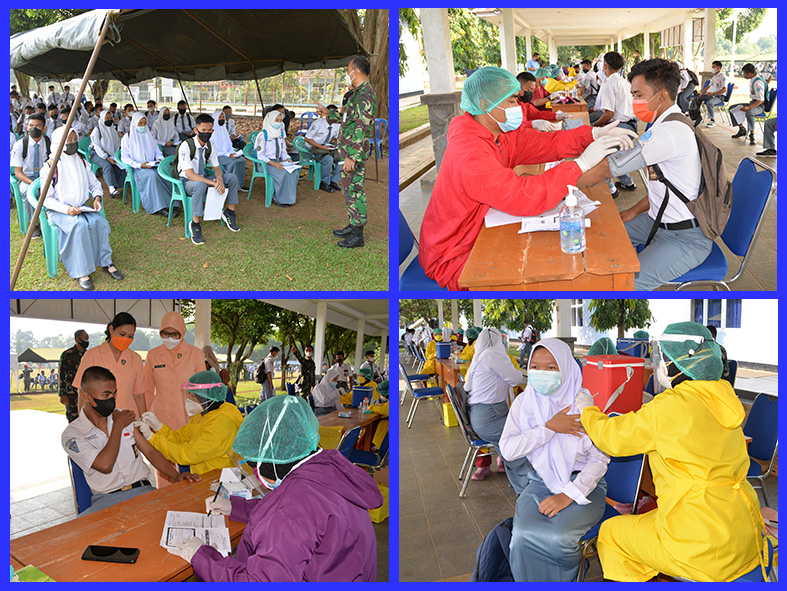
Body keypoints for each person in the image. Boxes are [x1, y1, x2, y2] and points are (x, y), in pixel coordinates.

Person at [578, 322, 767, 582]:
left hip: (699, 547)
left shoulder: (668, 408)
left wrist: (587, 410)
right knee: (650, 518)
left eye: (664, 359)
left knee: (611, 532)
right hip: (741, 530)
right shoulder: (724, 397)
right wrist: (653, 408)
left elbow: (612, 438)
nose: (662, 366)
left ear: (678, 364)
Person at [418, 66, 635, 290]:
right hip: (452, 253)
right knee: (535, 276)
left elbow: (545, 144)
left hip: (474, 231)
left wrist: (592, 135)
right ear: (484, 105)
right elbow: (523, 196)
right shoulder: (469, 152)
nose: (518, 108)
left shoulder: (496, 135)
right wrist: (581, 164)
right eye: (512, 101)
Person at [170, 395, 383, 581]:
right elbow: (306, 518)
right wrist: (235, 507)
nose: (255, 472)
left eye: (254, 465)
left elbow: (260, 582)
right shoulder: (328, 469)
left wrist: (202, 556)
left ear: (271, 463)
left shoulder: (289, 509)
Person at [500, 338, 609, 581]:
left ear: (567, 368)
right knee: (522, 536)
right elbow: (507, 449)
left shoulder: (584, 404)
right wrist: (548, 428)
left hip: (584, 487)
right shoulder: (524, 403)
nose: (541, 373)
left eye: (551, 367)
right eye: (535, 367)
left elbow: (600, 458)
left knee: (557, 539)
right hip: (539, 483)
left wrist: (568, 494)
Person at [600, 58, 712, 290]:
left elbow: (610, 167)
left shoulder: (669, 133)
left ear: (661, 96)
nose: (633, 102)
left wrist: (568, 176)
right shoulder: (663, 125)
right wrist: (632, 211)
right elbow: (663, 189)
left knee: (626, 286)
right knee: (604, 237)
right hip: (658, 220)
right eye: (633, 95)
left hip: (686, 238)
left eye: (638, 95)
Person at [62, 366, 199, 515]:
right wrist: (118, 427)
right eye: (106, 395)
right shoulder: (73, 434)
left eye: (114, 394)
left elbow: (150, 451)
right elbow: (105, 465)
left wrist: (177, 476)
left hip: (142, 491)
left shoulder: (122, 416)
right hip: (106, 501)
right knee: (81, 534)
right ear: (87, 396)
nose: (112, 400)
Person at [39, 127, 124, 290]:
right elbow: (47, 199)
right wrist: (67, 210)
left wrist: (97, 197)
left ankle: (105, 262)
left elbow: (94, 183)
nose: (73, 143)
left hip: (80, 206)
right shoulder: (50, 167)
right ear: (58, 143)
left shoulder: (81, 161)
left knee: (100, 222)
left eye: (75, 139)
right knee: (79, 226)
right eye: (68, 140)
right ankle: (81, 271)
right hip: (59, 210)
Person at [317, 55, 377, 248]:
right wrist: (329, 114)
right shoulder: (357, 93)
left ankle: (358, 234)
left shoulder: (365, 94)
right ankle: (353, 225)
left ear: (356, 71)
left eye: (348, 70)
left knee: (355, 190)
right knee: (348, 189)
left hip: (353, 152)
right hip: (347, 150)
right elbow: (348, 117)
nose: (347, 73)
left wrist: (352, 156)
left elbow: (360, 126)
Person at [463, 328, 531, 490]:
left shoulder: (480, 356)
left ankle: (521, 484)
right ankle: (531, 483)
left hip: (482, 415)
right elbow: (516, 378)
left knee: (516, 437)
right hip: (489, 416)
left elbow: (467, 384)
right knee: (518, 442)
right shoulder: (494, 355)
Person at [138, 370, 243, 475]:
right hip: (207, 476)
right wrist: (159, 427)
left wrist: (151, 438)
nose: (189, 401)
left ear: (205, 397)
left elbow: (186, 455)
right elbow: (179, 438)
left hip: (220, 479)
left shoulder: (220, 425)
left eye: (193, 396)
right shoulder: (204, 415)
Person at [177, 112, 241, 245]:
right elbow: (190, 175)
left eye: (209, 130)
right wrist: (212, 182)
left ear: (213, 130)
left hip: (203, 178)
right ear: (196, 130)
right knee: (200, 185)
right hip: (187, 183)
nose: (207, 133)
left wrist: (220, 181)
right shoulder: (186, 146)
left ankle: (229, 212)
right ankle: (195, 224)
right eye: (203, 130)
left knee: (232, 178)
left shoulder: (210, 145)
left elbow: (216, 167)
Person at [73, 312, 148, 416]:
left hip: (129, 418)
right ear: (112, 330)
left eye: (130, 336)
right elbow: (81, 391)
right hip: (99, 419)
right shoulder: (92, 355)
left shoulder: (136, 359)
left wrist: (145, 420)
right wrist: (83, 421)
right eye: (122, 334)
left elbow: (139, 395)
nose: (126, 339)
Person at [144, 311, 205, 436]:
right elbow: (148, 389)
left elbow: (202, 389)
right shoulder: (153, 355)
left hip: (188, 415)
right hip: (160, 414)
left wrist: (203, 415)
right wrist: (147, 415)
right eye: (165, 333)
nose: (170, 338)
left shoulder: (195, 353)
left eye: (174, 334)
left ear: (182, 333)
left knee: (185, 451)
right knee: (161, 451)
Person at [592, 51, 638, 197]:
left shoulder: (609, 83)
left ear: (604, 65)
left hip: (622, 126)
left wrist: (594, 127)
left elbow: (608, 114)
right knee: (616, 155)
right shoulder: (623, 81)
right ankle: (628, 183)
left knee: (601, 155)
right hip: (631, 125)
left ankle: (611, 189)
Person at [120, 112, 172, 216]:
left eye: (144, 123)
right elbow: (124, 158)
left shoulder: (149, 135)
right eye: (140, 123)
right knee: (152, 176)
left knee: (165, 173)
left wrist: (160, 159)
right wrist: (139, 165)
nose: (143, 126)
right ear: (134, 124)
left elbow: (157, 151)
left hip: (152, 165)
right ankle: (157, 208)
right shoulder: (128, 137)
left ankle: (171, 204)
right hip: (137, 169)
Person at [11, 113, 49, 238]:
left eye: (38, 126)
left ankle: (53, 220)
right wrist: (34, 184)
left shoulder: (49, 143)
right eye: (31, 125)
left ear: (44, 128)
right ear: (26, 127)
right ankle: (35, 225)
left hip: (46, 177)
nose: (34, 128)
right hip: (27, 179)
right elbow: (18, 173)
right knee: (27, 193)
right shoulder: (20, 145)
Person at [254, 109, 298, 207]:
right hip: (265, 164)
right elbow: (260, 155)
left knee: (293, 172)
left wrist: (287, 159)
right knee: (282, 173)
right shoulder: (263, 135)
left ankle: (289, 198)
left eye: (280, 120)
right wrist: (274, 164)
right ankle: (277, 198)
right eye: (276, 120)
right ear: (270, 120)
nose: (279, 123)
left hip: (278, 162)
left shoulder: (280, 134)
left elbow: (283, 151)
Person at [305, 104, 342, 193]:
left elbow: (337, 137)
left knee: (342, 159)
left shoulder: (337, 124)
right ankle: (324, 182)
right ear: (326, 114)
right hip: (313, 149)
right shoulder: (318, 124)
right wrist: (321, 147)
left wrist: (335, 144)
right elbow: (307, 138)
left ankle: (334, 181)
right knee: (328, 159)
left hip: (326, 148)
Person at [89, 109, 125, 198]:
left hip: (110, 153)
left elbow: (116, 143)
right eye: (106, 118)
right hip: (96, 154)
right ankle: (111, 190)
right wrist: (108, 158)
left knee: (121, 163)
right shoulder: (97, 130)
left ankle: (120, 184)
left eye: (110, 117)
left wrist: (117, 155)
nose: (109, 119)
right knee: (107, 165)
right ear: (102, 118)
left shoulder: (112, 128)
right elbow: (97, 147)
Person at [211, 109, 249, 192]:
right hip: (218, 156)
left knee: (242, 160)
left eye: (222, 117)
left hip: (227, 154)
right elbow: (213, 150)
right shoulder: (212, 131)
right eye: (219, 117)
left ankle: (239, 184)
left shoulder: (223, 129)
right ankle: (230, 185)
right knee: (233, 162)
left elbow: (228, 144)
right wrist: (228, 155)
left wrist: (233, 152)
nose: (221, 119)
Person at [730, 63, 767, 146]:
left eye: (744, 73)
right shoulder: (753, 79)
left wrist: (749, 107)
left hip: (760, 105)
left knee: (749, 112)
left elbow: (761, 100)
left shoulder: (757, 82)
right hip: (753, 102)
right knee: (732, 108)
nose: (744, 75)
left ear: (749, 73)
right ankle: (741, 129)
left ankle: (752, 134)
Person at [59, 329, 90, 423]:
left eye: (88, 339)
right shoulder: (67, 354)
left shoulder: (88, 354)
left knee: (87, 418)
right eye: (85, 338)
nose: (87, 341)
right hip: (71, 393)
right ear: (78, 339)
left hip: (86, 392)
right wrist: (63, 394)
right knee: (73, 419)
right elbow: (62, 374)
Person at [695, 60, 727, 127]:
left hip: (719, 96)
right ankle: (697, 115)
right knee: (699, 98)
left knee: (710, 103)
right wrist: (701, 92)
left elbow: (724, 89)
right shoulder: (714, 77)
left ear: (718, 68)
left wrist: (714, 94)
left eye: (714, 67)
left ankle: (712, 120)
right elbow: (709, 86)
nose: (712, 68)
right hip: (712, 94)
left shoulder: (723, 77)